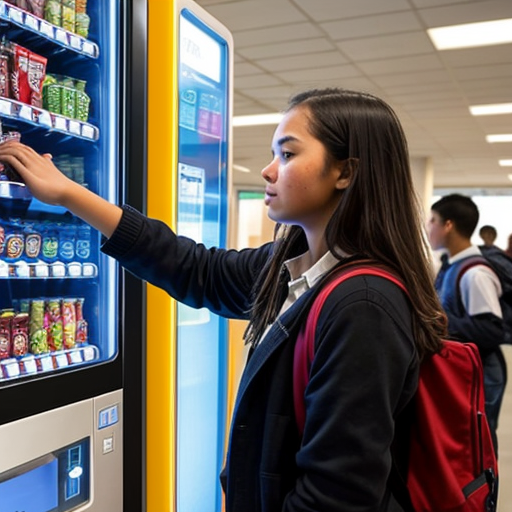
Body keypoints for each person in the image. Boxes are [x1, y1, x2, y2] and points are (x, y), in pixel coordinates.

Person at [0, 88, 447, 511]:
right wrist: (68, 194)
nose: (269, 171)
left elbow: (337, 494)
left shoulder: (364, 305)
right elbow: (195, 268)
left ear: (346, 172)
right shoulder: (291, 264)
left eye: (287, 154)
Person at [428, 194, 507, 453]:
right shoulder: (452, 266)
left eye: (433, 220)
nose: (428, 227)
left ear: (448, 225)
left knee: (478, 447)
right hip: (467, 373)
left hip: (483, 375)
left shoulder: (475, 273)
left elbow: (491, 329)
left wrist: (442, 321)